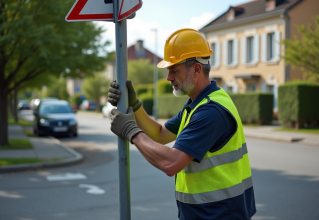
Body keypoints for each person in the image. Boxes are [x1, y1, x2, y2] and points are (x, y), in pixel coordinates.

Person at [108, 28, 256, 220]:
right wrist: (134, 106)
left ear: (196, 69)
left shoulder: (210, 112)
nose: (169, 77)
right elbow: (161, 134)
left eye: (174, 70)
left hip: (218, 215)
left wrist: (131, 131)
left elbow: (171, 163)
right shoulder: (198, 104)